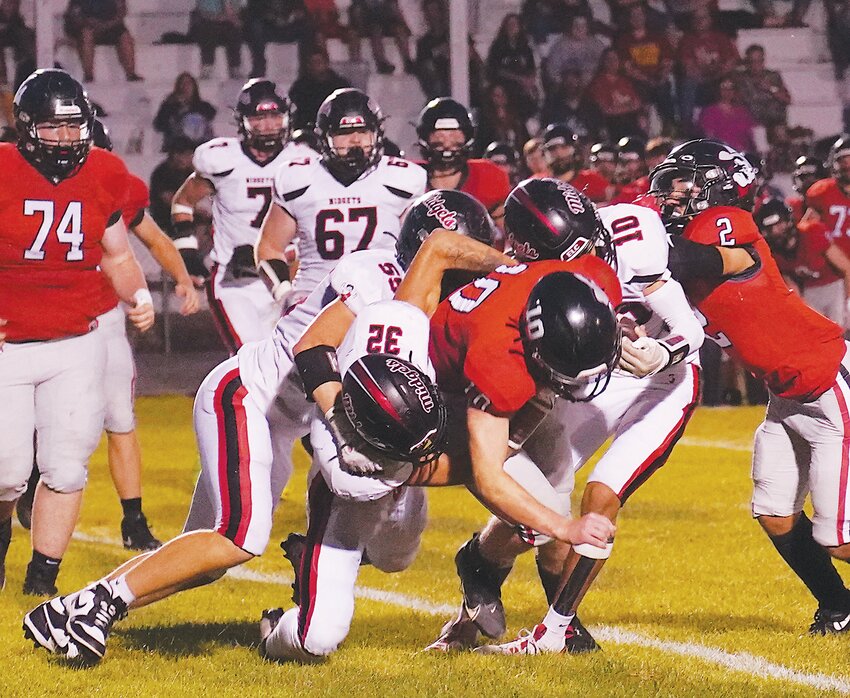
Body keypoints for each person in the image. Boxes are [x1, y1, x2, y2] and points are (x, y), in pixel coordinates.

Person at [21, 191, 519, 662]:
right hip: (248, 396)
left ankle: (70, 610)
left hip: (287, 423)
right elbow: (314, 351)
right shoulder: (375, 275)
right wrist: (344, 425)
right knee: (238, 536)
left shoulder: (434, 303)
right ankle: (93, 608)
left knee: (210, 556)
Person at [428, 177, 704, 654]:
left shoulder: (597, 269)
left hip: (562, 379)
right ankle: (513, 595)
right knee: (540, 519)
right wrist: (565, 529)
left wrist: (655, 348)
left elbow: (678, 322)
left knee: (551, 496)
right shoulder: (501, 358)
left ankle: (547, 625)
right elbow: (490, 476)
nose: (587, 253)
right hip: (454, 401)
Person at [653, 139, 850, 635]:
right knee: (775, 511)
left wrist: (625, 240)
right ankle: (838, 605)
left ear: (715, 185)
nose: (673, 195)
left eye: (684, 183)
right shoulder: (686, 244)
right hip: (785, 394)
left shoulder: (727, 224)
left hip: (827, 381)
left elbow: (690, 261)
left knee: (838, 537)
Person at [0, 69, 153, 594]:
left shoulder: (106, 170)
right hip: (8, 345)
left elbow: (117, 253)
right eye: (52, 126)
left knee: (66, 466)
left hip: (75, 342)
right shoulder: (1, 168)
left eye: (74, 125)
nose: (66, 139)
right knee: (5, 472)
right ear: (25, 126)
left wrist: (140, 295)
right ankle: (2, 531)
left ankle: (41, 579)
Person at [15, 121, 201, 549]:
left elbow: (152, 239)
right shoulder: (31, 188)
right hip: (49, 323)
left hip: (102, 316)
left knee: (119, 417)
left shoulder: (109, 184)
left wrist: (182, 280)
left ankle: (133, 518)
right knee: (33, 419)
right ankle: (24, 484)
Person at [171, 79, 311, 354]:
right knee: (252, 362)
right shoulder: (223, 159)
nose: (269, 125)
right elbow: (183, 202)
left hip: (293, 279)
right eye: (259, 117)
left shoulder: (304, 161)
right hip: (236, 282)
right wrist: (188, 255)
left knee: (296, 366)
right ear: (243, 121)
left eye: (274, 116)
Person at [416, 97, 512, 232]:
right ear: (425, 137)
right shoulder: (409, 177)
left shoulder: (488, 176)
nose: (447, 144)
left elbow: (510, 236)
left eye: (454, 136)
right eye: (439, 136)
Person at [756, 198, 850, 327]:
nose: (775, 231)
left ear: (788, 219)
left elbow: (846, 268)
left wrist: (847, 301)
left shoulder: (812, 232)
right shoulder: (773, 253)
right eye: (770, 228)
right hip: (809, 291)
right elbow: (793, 290)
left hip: (835, 286)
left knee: (843, 325)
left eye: (778, 224)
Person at [676, 7, 740, 128]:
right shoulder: (687, 40)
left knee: (732, 81)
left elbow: (730, 62)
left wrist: (714, 74)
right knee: (688, 82)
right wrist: (708, 74)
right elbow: (688, 68)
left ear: (710, 20)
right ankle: (687, 126)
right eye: (696, 18)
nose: (699, 21)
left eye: (703, 18)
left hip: (718, 79)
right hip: (698, 82)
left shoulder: (721, 38)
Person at [64, 0, 142, 83]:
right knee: (86, 35)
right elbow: (74, 14)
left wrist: (107, 25)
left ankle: (131, 74)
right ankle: (89, 76)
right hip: (87, 27)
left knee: (125, 36)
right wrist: (88, 23)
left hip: (110, 26)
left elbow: (122, 11)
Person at [803, 137, 850, 265]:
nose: (848, 165)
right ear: (833, 164)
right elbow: (807, 231)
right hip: (831, 266)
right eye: (843, 161)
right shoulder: (822, 191)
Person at [539, 122, 613, 203]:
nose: (559, 153)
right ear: (544, 153)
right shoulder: (538, 185)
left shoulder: (594, 181)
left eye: (564, 147)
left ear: (574, 149)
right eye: (552, 148)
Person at [735, 44, 791, 146]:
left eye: (759, 61)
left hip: (775, 121)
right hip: (753, 119)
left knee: (780, 132)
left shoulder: (773, 76)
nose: (756, 65)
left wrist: (771, 88)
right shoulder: (741, 79)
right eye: (752, 61)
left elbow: (787, 99)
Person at [585, 48, 646, 141]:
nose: (612, 62)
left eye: (615, 59)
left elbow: (637, 103)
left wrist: (624, 108)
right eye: (609, 59)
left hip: (631, 120)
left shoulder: (625, 81)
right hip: (611, 123)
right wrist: (628, 107)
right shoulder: (598, 83)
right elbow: (606, 110)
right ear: (603, 62)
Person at [486, 14, 538, 120]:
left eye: (515, 24)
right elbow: (495, 70)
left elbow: (531, 69)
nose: (512, 27)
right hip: (504, 86)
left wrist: (529, 82)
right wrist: (518, 79)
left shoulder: (525, 47)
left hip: (522, 89)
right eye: (510, 24)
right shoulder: (498, 46)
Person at [243, 0, 311, 78]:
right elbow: (253, 11)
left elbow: (301, 8)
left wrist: (296, 14)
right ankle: (259, 66)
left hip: (289, 25)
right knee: (254, 27)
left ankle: (305, 69)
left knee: (307, 27)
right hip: (267, 26)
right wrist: (272, 17)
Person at [152, 73, 216, 153]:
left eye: (188, 83)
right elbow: (159, 125)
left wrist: (189, 108)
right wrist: (173, 107)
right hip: (177, 146)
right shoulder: (169, 106)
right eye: (182, 84)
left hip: (198, 145)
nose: (185, 87)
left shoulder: (202, 106)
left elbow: (211, 113)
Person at [288, 48, 350, 131]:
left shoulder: (340, 84)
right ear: (308, 65)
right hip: (307, 130)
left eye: (319, 62)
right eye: (313, 62)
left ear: (326, 63)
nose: (316, 65)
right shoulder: (300, 86)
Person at [348, 0, 413, 75]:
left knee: (400, 29)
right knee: (376, 30)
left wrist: (403, 23)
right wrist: (359, 26)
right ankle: (381, 62)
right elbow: (357, 10)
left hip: (386, 20)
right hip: (368, 21)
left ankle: (407, 61)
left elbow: (395, 7)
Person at [543, 14, 605, 89]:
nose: (579, 29)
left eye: (583, 26)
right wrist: (563, 83)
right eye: (576, 26)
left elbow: (605, 65)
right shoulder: (560, 46)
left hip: (592, 86)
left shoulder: (596, 44)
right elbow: (552, 70)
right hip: (566, 86)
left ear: (587, 28)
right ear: (570, 27)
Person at [149, 136, 197, 233]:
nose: (187, 159)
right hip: (166, 218)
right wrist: (197, 210)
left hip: (189, 215)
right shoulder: (162, 172)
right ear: (174, 155)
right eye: (184, 155)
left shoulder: (189, 171)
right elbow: (169, 199)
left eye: (189, 155)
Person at [697, 79, 756, 154]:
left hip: (742, 154)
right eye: (724, 89)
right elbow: (709, 136)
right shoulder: (709, 111)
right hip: (720, 153)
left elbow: (751, 134)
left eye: (730, 89)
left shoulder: (743, 112)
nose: (727, 92)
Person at [190, 0, 243, 80]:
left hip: (226, 22)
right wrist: (219, 17)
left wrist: (232, 17)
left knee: (234, 30)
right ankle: (207, 65)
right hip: (208, 21)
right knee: (208, 29)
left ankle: (234, 67)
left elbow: (237, 10)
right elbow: (204, 12)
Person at [475, 82, 530, 158]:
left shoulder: (517, 119)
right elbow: (481, 145)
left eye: (502, 94)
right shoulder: (486, 122)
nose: (500, 98)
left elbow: (525, 141)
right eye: (496, 95)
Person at [788, 154, 827, 221]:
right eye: (803, 178)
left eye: (811, 178)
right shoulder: (794, 206)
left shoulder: (832, 203)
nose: (806, 183)